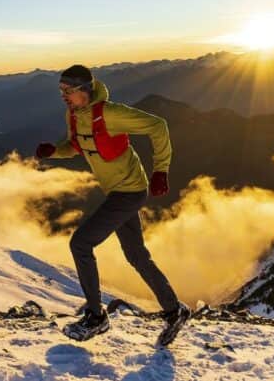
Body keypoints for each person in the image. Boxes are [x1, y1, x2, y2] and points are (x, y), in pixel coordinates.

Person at [35, 64, 191, 345]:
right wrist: (55, 152)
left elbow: (159, 126)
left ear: (84, 90)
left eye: (67, 90)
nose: (63, 96)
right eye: (61, 90)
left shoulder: (110, 114)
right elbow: (76, 146)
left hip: (129, 192)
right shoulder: (74, 116)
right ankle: (174, 310)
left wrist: (161, 171)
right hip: (117, 191)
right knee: (137, 256)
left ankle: (96, 317)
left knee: (81, 244)